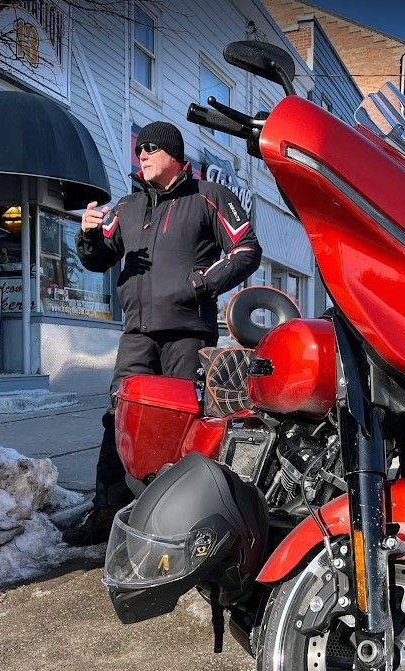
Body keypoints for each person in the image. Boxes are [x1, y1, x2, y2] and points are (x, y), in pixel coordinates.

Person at [63, 121, 262, 547]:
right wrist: (87, 235)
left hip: (188, 333)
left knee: (179, 424)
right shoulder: (127, 208)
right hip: (137, 333)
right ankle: (106, 510)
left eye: (150, 148)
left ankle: (173, 518)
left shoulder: (209, 197)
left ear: (173, 153)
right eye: (138, 150)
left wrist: (199, 284)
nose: (142, 155)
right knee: (120, 418)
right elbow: (99, 260)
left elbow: (246, 250)